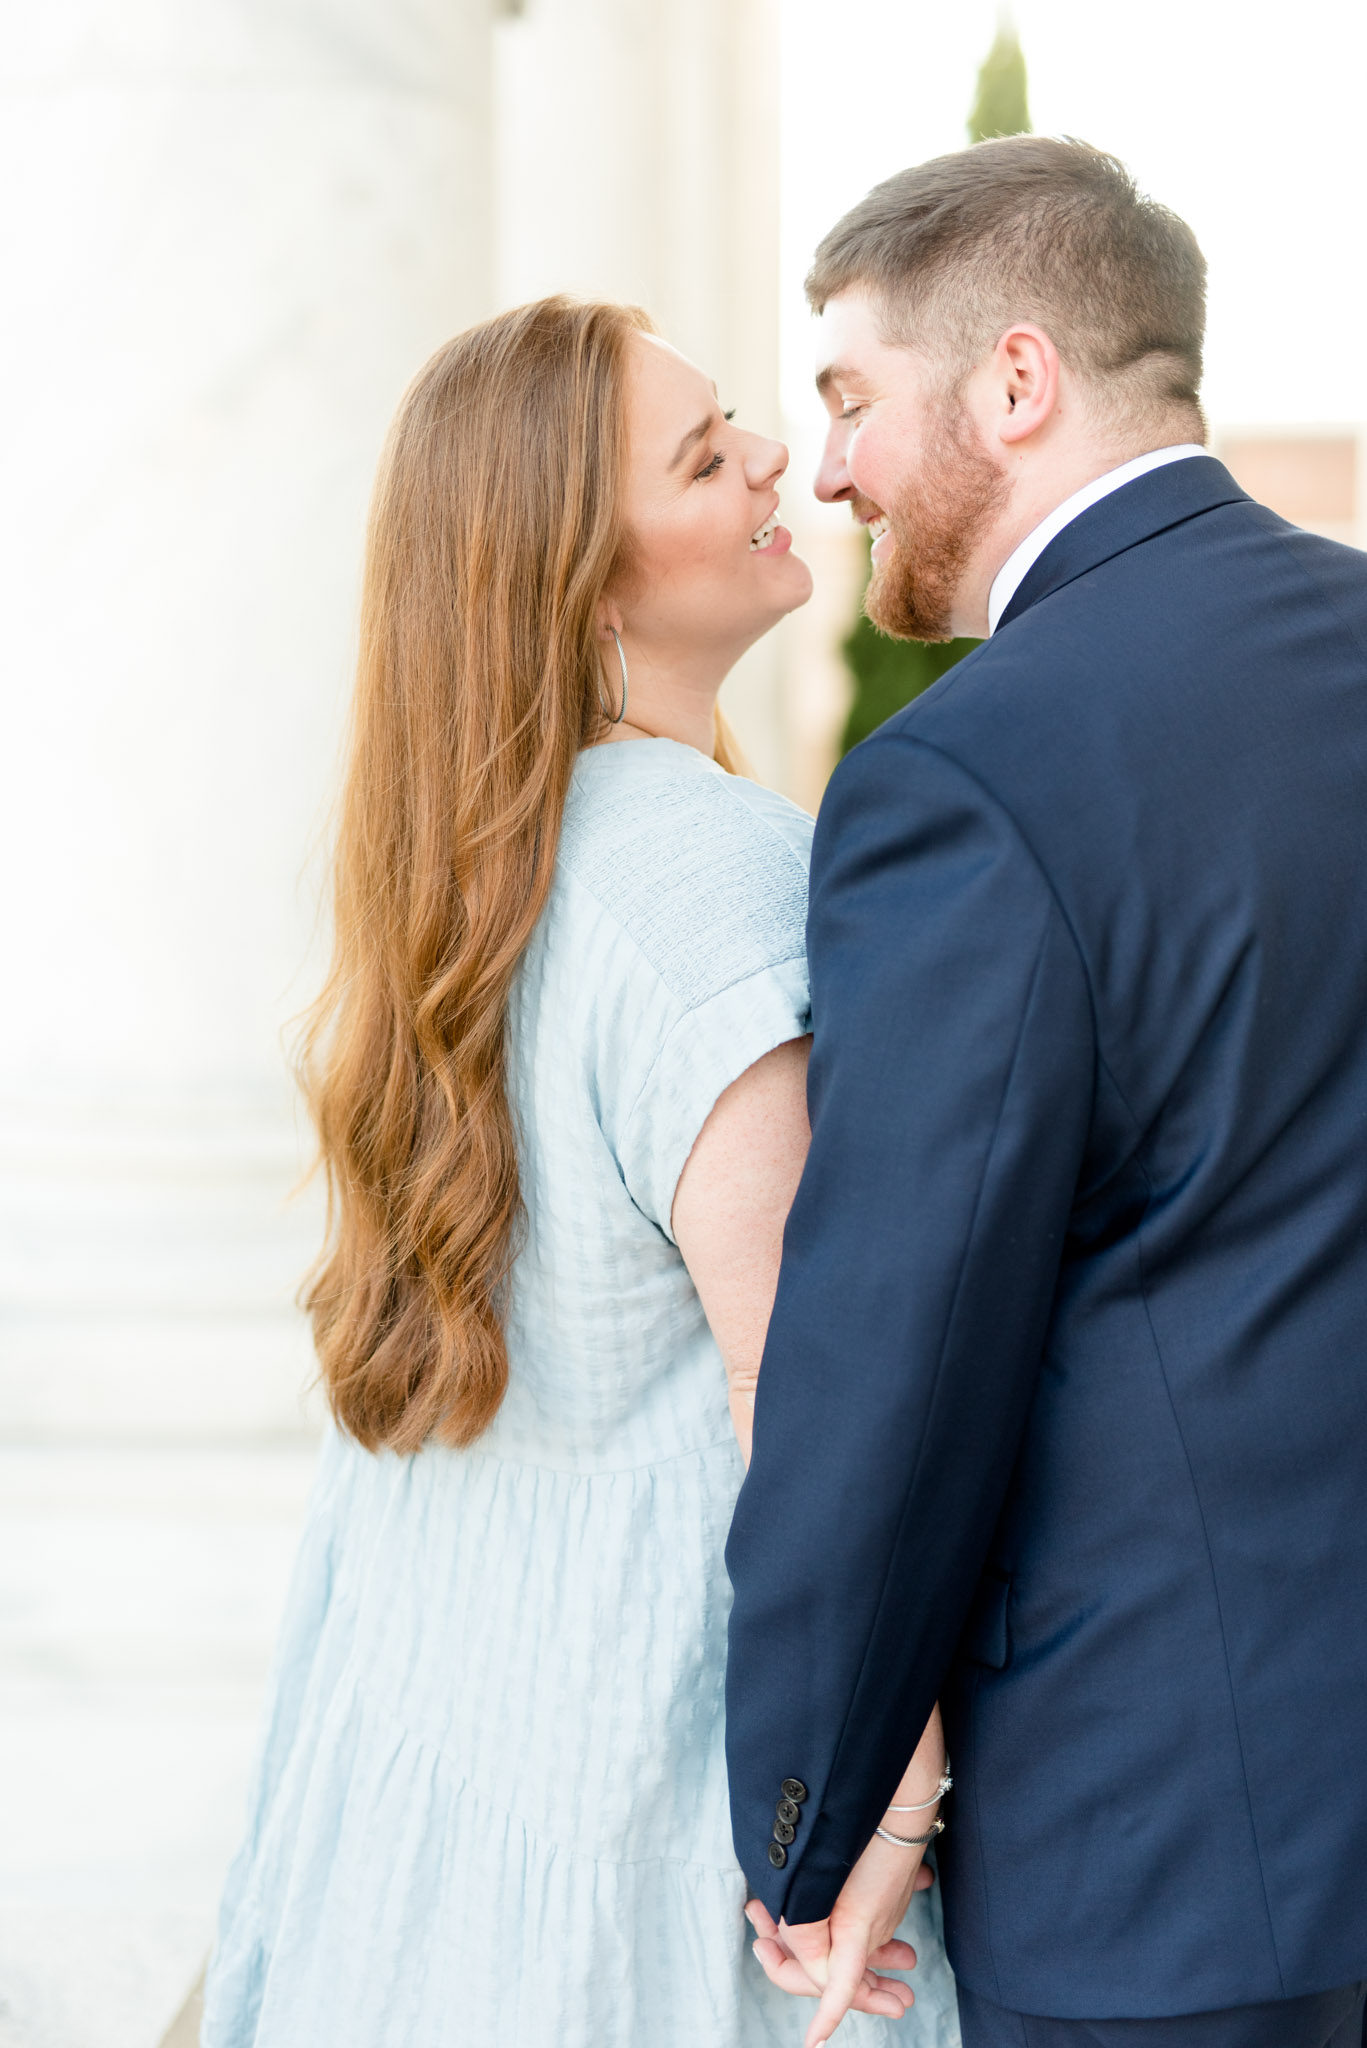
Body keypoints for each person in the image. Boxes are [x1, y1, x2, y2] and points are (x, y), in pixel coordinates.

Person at [199, 296, 960, 2046]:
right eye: (706, 458)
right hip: (654, 1831)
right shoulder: (711, 880)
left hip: (437, 1797)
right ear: (583, 583)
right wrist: (895, 1811)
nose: (779, 454)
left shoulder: (472, 872)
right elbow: (812, 1396)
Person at [725, 137, 1367, 2048]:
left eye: (848, 398)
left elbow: (903, 1361)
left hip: (1163, 1854)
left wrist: (818, 1812)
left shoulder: (968, 778)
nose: (826, 468)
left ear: (1018, 383)